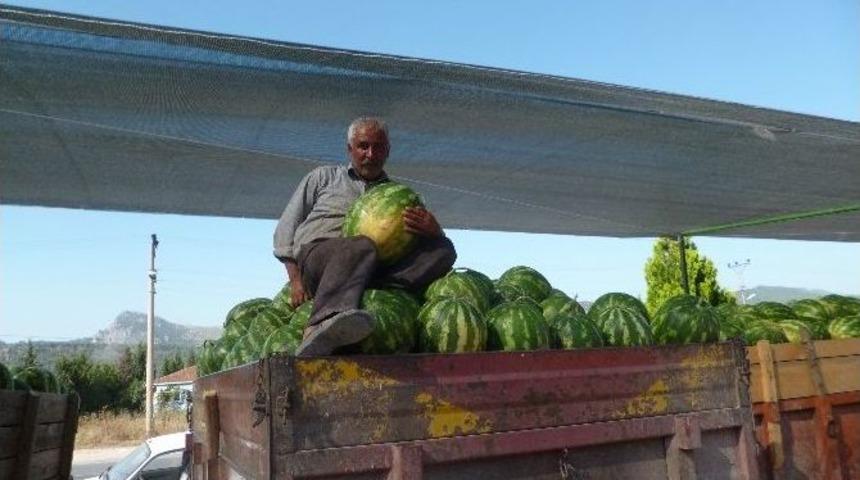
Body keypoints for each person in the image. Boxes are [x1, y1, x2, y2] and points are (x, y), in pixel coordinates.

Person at [273, 117, 456, 356]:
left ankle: (377, 290)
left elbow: (416, 244)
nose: (371, 153)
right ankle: (320, 325)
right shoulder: (323, 178)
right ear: (350, 149)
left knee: (444, 249)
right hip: (320, 260)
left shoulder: (399, 194)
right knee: (361, 245)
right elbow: (285, 229)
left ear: (387, 151)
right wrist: (296, 281)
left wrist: (435, 230)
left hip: (373, 268)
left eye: (378, 147)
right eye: (363, 146)